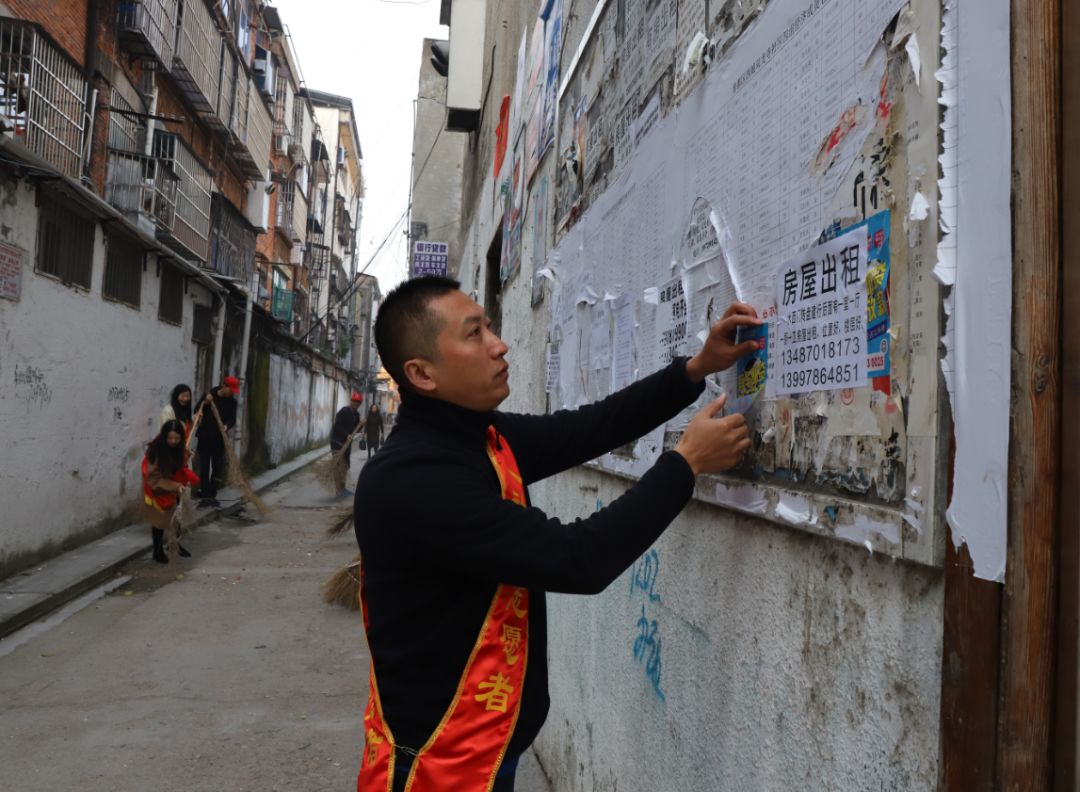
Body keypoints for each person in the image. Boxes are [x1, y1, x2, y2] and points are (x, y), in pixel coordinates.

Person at [353, 276, 759, 791]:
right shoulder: (415, 480)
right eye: (475, 334)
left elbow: (590, 427)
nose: (500, 345)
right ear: (421, 373)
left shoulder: (477, 438)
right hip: (437, 768)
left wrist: (694, 370)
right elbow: (577, 559)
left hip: (486, 750)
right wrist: (685, 463)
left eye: (491, 327)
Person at [141, 420, 200, 563]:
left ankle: (175, 544)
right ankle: (157, 551)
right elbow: (154, 479)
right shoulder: (155, 452)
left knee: (176, 518)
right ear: (164, 436)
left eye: (177, 438)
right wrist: (175, 485)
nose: (173, 441)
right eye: (170, 438)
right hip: (157, 490)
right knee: (159, 522)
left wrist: (185, 463)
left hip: (174, 488)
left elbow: (180, 466)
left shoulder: (180, 448)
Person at [195, 376, 239, 507]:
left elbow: (232, 419)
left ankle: (211, 495)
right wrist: (205, 403)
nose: (232, 393)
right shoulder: (209, 396)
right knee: (204, 468)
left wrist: (226, 426)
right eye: (231, 390)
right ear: (224, 386)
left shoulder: (232, 402)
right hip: (205, 437)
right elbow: (197, 411)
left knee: (217, 468)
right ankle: (205, 496)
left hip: (220, 439)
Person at [331, 392, 365, 493]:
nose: (355, 403)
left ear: (360, 404)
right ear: (351, 401)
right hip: (337, 442)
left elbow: (356, 430)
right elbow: (337, 426)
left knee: (346, 465)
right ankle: (339, 490)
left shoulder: (356, 415)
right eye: (354, 401)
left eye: (358, 402)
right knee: (338, 466)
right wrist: (346, 434)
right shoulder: (344, 411)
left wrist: (362, 425)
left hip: (347, 443)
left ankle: (343, 488)